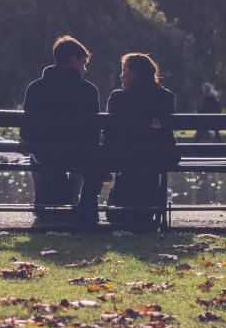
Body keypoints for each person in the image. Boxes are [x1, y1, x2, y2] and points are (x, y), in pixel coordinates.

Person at [21, 36, 104, 224]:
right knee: (86, 154)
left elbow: (26, 132)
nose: (84, 68)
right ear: (74, 60)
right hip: (78, 154)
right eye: (83, 62)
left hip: (45, 154)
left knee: (36, 152)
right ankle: (74, 201)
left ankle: (45, 202)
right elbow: (92, 134)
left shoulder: (35, 88)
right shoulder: (89, 90)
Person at [103, 53, 179, 229]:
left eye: (124, 70)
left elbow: (109, 132)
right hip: (159, 156)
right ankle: (147, 204)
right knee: (146, 155)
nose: (120, 75)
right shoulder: (166, 97)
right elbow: (165, 132)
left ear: (135, 72)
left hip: (124, 156)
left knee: (125, 154)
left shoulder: (118, 97)